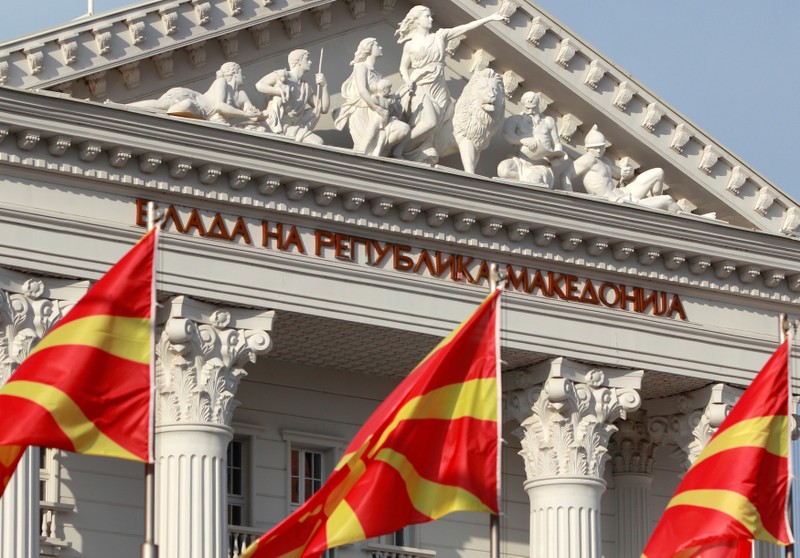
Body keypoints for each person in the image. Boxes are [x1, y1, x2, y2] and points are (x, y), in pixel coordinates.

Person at [395, 5, 506, 163]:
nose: (431, 19)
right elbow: (403, 67)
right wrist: (407, 81)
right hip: (420, 86)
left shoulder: (439, 36)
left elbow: (464, 28)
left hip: (439, 88)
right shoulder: (410, 45)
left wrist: (489, 18)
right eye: (427, 16)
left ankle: (421, 150)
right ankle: (400, 147)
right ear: (416, 20)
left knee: (437, 124)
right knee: (429, 121)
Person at [565, 125, 680, 211]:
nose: (599, 151)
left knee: (658, 172)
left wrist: (628, 170)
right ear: (587, 149)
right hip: (616, 202)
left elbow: (621, 174)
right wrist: (568, 200)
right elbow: (566, 175)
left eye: (601, 147)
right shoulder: (588, 159)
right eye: (595, 148)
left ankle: (655, 203)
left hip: (623, 193)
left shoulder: (605, 161)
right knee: (668, 199)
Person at [335, 38, 410, 158]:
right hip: (363, 112)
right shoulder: (361, 67)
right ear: (369, 49)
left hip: (379, 113)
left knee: (404, 129)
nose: (380, 48)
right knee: (364, 149)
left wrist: (403, 91)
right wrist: (376, 108)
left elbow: (385, 95)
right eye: (377, 45)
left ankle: (384, 151)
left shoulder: (377, 73)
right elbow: (362, 90)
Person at [129, 62, 262, 125]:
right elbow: (220, 106)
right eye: (241, 73)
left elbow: (254, 115)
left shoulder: (241, 95)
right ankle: (127, 108)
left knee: (182, 107)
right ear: (234, 73)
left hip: (199, 112)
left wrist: (259, 114)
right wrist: (245, 114)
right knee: (162, 105)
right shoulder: (221, 82)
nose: (243, 77)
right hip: (193, 99)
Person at [256, 49, 330, 145]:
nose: (310, 62)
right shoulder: (283, 75)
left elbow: (323, 108)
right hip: (280, 124)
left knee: (316, 111)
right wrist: (277, 91)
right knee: (318, 142)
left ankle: (299, 135)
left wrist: (324, 86)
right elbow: (259, 85)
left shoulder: (305, 87)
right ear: (298, 61)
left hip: (295, 125)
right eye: (307, 59)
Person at [497, 91, 566, 187]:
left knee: (534, 179)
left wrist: (557, 154)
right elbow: (507, 133)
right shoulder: (516, 119)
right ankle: (520, 182)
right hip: (520, 162)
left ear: (538, 106)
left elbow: (557, 143)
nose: (530, 111)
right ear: (522, 105)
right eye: (527, 108)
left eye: (533, 108)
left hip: (540, 164)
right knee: (503, 170)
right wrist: (522, 140)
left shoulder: (548, 121)